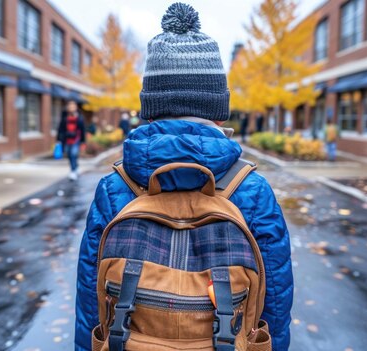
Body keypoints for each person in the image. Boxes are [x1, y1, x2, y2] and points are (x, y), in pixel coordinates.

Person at [75, 3, 293, 351]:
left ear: (150, 109)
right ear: (219, 111)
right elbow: (275, 304)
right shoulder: (252, 189)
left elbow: (91, 304)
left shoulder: (115, 187)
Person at [56, 100, 86, 180]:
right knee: (69, 154)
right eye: (70, 106)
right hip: (67, 139)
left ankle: (73, 171)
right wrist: (58, 139)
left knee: (73, 153)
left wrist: (83, 141)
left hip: (76, 139)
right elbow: (60, 128)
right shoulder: (65, 116)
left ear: (76, 107)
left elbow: (82, 129)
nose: (71, 108)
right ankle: (76, 167)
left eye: (73, 106)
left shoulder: (79, 117)